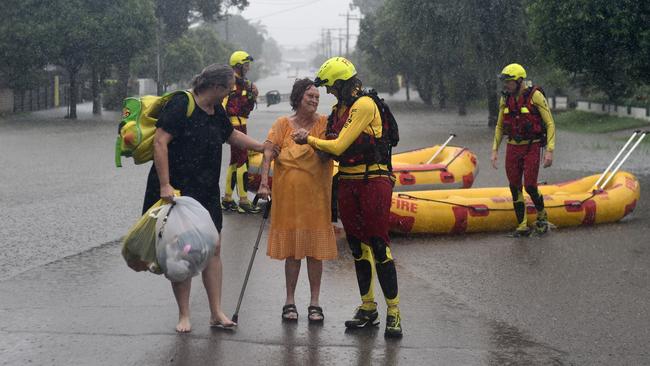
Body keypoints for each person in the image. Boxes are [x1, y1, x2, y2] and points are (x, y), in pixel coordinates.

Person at [142, 64, 267, 333]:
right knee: (182, 252)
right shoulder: (181, 105)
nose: (230, 94)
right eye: (228, 89)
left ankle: (216, 312)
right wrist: (165, 185)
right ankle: (184, 314)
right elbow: (160, 142)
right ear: (216, 87)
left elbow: (230, 135)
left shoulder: (216, 110)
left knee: (213, 248)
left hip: (207, 190)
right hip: (179, 191)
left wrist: (261, 146)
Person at [293, 57, 403, 338]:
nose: (329, 92)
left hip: (373, 180)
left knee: (379, 245)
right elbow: (331, 150)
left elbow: (339, 145)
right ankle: (368, 308)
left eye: (331, 87)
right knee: (356, 246)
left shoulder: (365, 105)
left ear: (343, 84)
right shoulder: (337, 110)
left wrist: (309, 140)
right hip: (348, 182)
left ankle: (394, 313)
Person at [257, 78, 337, 323]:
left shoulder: (324, 124)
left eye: (316, 97)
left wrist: (310, 141)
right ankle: (289, 301)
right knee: (293, 252)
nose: (314, 100)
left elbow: (330, 152)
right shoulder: (282, 124)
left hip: (316, 198)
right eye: (309, 96)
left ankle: (315, 302)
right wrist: (263, 183)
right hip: (288, 199)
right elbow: (268, 152)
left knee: (315, 252)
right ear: (297, 99)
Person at [490, 63, 556, 237]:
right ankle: (522, 225)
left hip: (531, 146)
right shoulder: (505, 98)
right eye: (504, 81)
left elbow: (550, 123)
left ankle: (542, 217)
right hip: (512, 147)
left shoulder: (536, 96)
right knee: (514, 187)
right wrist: (495, 149)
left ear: (519, 81)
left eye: (509, 81)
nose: (505, 85)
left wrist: (550, 150)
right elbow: (499, 126)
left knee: (530, 186)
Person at [221, 50, 260, 214]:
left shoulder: (244, 84)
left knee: (234, 162)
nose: (248, 68)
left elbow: (248, 105)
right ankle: (243, 200)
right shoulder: (229, 83)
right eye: (245, 65)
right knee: (242, 161)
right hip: (234, 126)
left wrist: (252, 93)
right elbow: (222, 106)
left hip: (241, 124)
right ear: (238, 66)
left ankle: (228, 199)